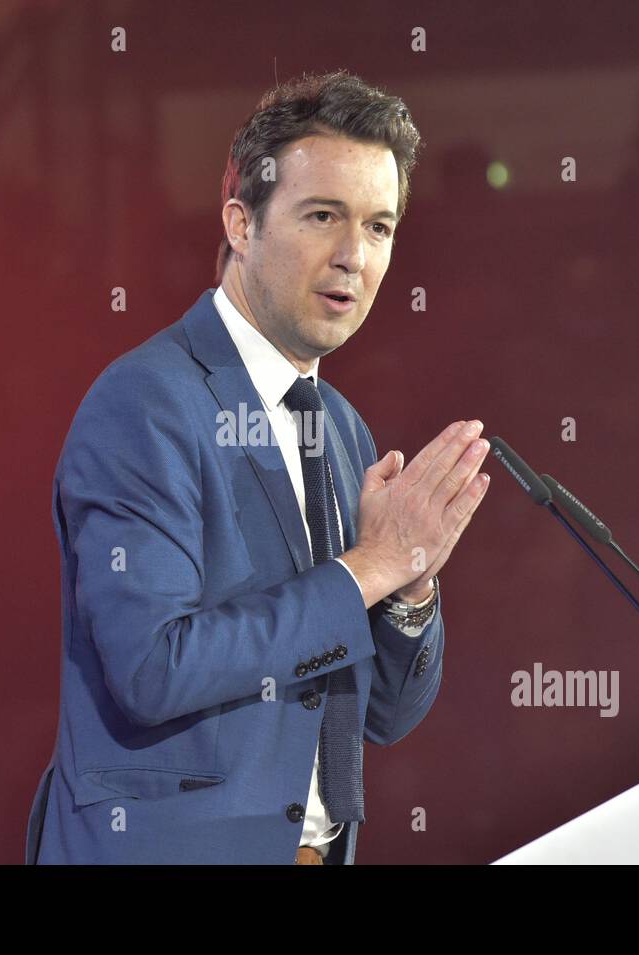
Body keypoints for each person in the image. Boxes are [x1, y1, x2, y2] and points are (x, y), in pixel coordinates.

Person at [25, 70, 491, 865]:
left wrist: (408, 588)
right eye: (323, 216)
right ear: (241, 224)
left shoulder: (341, 429)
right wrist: (365, 569)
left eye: (380, 227)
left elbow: (381, 714)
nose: (355, 256)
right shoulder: (146, 403)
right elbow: (152, 667)